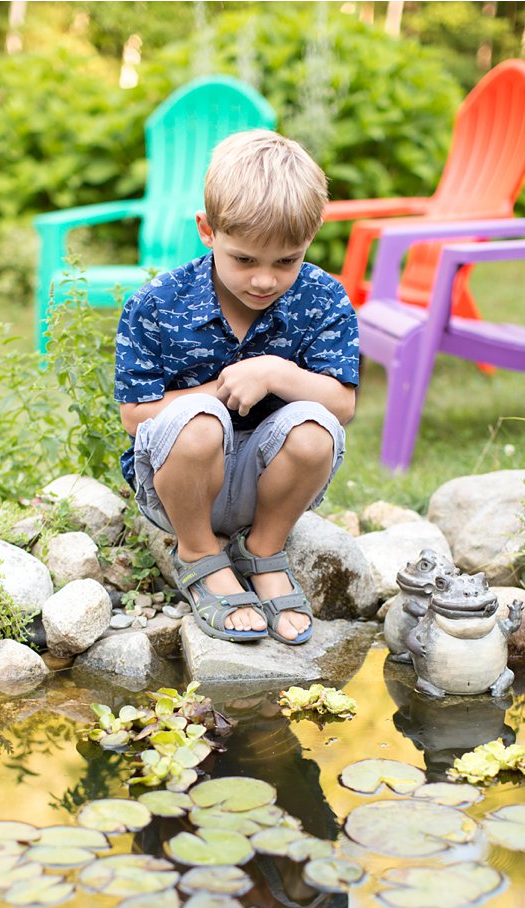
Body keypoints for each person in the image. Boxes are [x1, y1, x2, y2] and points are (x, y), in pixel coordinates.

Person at [114, 129, 359, 645]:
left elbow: (343, 403)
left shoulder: (323, 298)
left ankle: (263, 550)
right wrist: (220, 391)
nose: (265, 280)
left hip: (270, 486)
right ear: (208, 231)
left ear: (311, 237)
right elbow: (137, 416)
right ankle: (200, 553)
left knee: (318, 430)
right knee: (199, 423)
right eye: (245, 259)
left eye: (286, 261)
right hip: (179, 485)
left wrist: (272, 372)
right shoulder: (158, 303)